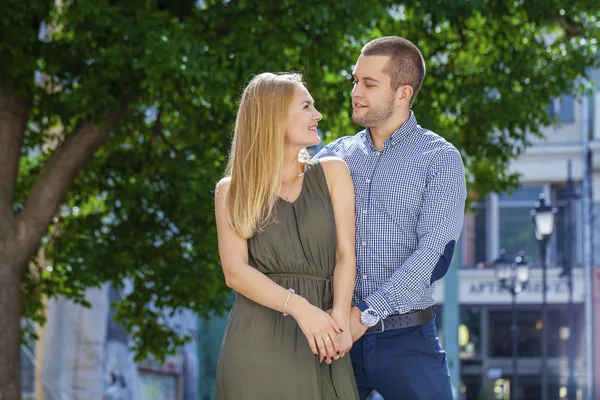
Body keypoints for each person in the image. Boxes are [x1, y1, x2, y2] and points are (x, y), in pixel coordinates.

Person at [314, 36, 467, 399]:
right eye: (355, 80)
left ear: (403, 93)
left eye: (369, 83)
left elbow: (434, 256)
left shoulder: (439, 159)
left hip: (406, 340)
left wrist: (366, 313)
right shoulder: (335, 156)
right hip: (336, 340)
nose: (355, 91)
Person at [214, 72, 359, 399]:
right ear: (275, 116)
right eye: (307, 106)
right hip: (256, 347)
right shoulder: (231, 191)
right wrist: (301, 309)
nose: (317, 115)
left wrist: (339, 316)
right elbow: (235, 272)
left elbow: (345, 254)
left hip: (325, 340)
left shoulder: (333, 172)